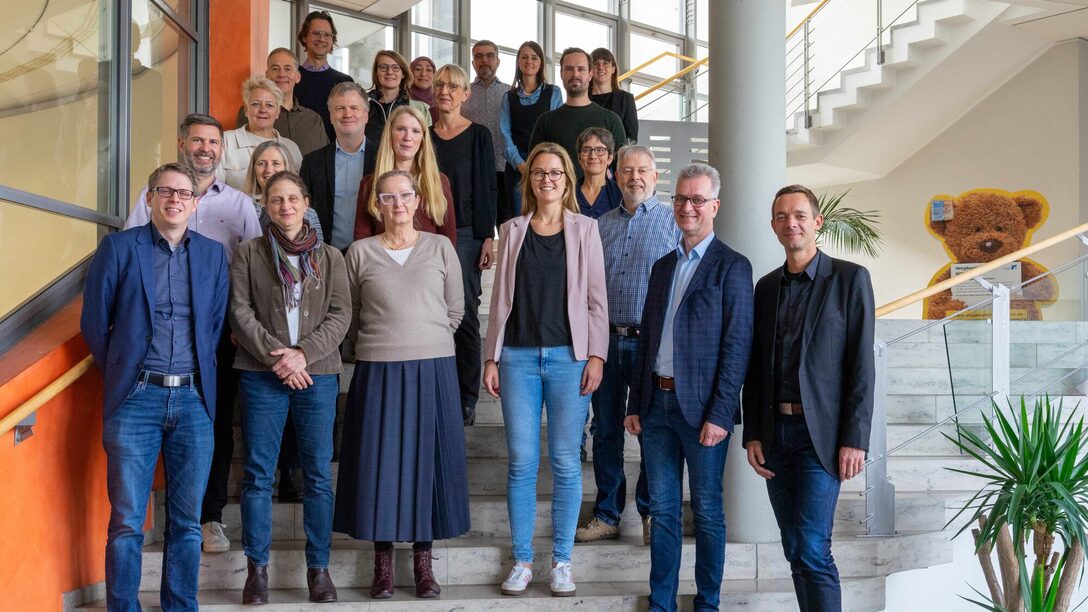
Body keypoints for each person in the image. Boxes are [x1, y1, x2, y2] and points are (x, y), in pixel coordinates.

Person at [83, 163, 229, 611]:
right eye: (165, 191)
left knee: (186, 523)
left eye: (184, 193)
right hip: (135, 399)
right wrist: (124, 376)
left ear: (195, 202)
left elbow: (216, 326)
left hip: (193, 399)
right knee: (127, 521)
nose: (175, 199)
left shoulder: (212, 254)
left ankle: (179, 606)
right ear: (149, 199)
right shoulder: (119, 248)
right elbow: (94, 324)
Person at [124, 114, 261, 555]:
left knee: (214, 425)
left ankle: (209, 517)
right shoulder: (155, 196)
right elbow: (129, 253)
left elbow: (255, 271)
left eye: (213, 142)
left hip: (217, 336)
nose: (205, 148)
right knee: (151, 424)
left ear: (222, 150)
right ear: (183, 143)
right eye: (198, 140)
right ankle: (160, 517)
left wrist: (242, 327)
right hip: (155, 339)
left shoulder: (238, 204)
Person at [624, 163, 754, 612]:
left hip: (703, 413)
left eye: (698, 199)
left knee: (708, 512)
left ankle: (707, 604)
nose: (687, 207)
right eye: (681, 198)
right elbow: (647, 338)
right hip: (656, 405)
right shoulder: (664, 266)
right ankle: (662, 603)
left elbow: (737, 347)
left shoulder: (732, 267)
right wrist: (635, 402)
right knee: (662, 512)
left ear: (714, 206)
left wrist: (721, 414)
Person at [334, 170, 470, 600]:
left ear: (417, 201)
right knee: (380, 466)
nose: (397, 205)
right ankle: (383, 566)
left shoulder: (441, 247)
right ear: (377, 204)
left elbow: (455, 310)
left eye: (405, 196)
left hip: (433, 367)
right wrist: (380, 341)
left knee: (428, 465)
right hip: (378, 367)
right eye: (388, 197)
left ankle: (424, 567)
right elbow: (349, 315)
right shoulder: (358, 253)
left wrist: (424, 336)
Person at [482, 143, 608, 598]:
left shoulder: (586, 229)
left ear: (567, 179)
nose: (547, 179)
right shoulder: (512, 230)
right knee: (521, 462)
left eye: (555, 172)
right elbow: (498, 301)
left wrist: (597, 356)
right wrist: (491, 357)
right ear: (529, 179)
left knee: (566, 464)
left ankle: (561, 561)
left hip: (569, 359)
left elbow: (597, 299)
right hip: (517, 358)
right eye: (539, 172)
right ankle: (522, 560)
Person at [743, 184, 876, 612]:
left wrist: (855, 438)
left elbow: (861, 367)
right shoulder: (765, 288)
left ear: (817, 223)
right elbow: (756, 366)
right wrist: (754, 433)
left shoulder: (850, 279)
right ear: (773, 226)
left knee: (812, 547)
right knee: (794, 548)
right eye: (782, 217)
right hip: (776, 434)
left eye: (799, 215)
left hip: (822, 437)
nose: (790, 223)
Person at [230, 171, 350, 605]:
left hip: (317, 375)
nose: (284, 207)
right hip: (261, 374)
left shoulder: (332, 257)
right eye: (276, 200)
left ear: (306, 202)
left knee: (318, 476)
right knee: (259, 475)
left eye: (292, 199)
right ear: (265, 204)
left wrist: (303, 355)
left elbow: (340, 316)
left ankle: (318, 569)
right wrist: (279, 357)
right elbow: (239, 312)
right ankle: (256, 572)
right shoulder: (247, 254)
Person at [576, 145, 678, 546]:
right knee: (604, 430)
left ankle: (652, 512)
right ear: (615, 177)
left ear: (655, 178)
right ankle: (607, 514)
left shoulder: (672, 223)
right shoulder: (600, 225)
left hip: (650, 345)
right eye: (627, 171)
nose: (634, 177)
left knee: (652, 428)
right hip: (604, 343)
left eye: (643, 171)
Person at [430, 63, 497, 426]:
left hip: (469, 234)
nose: (445, 91)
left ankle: (466, 397)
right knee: (431, 312)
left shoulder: (479, 135)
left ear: (465, 94)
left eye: (453, 86)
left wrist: (488, 235)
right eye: (440, 85)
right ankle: (438, 389)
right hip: (428, 234)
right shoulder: (424, 135)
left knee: (466, 313)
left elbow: (487, 186)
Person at [354, 105, 455, 245]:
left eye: (416, 131)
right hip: (381, 264)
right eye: (401, 129)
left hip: (427, 265)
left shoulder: (439, 182)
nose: (408, 137)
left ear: (423, 139)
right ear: (390, 134)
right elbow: (361, 243)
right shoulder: (369, 184)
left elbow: (448, 239)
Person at [299, 81, 377, 251]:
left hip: (374, 256)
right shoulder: (312, 163)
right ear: (330, 116)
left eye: (354, 108)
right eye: (340, 108)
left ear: (366, 115)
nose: (347, 114)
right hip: (326, 256)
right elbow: (303, 214)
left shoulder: (384, 159)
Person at [529, 47, 626, 179]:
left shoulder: (610, 120)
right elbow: (535, 168)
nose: (575, 74)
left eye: (581, 69)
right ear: (561, 73)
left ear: (590, 74)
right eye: (569, 69)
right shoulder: (545, 121)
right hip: (557, 198)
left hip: (599, 198)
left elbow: (622, 168)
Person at [498, 40, 563, 223]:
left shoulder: (553, 92)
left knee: (547, 217)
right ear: (518, 62)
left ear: (541, 62)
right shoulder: (508, 97)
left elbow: (555, 130)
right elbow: (504, 133)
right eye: (524, 57)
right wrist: (520, 164)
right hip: (517, 167)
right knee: (520, 221)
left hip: (546, 165)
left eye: (534, 57)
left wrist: (541, 164)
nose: (529, 61)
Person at [236, 47, 330, 156]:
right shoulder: (252, 113)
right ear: (267, 75)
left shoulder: (313, 120)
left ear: (297, 76)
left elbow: (324, 160)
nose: (281, 74)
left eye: (288, 69)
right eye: (275, 69)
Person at [219, 75, 303, 191]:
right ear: (246, 110)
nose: (263, 110)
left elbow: (297, 191)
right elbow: (216, 190)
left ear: (278, 112)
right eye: (256, 104)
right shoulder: (226, 141)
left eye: (269, 105)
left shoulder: (291, 148)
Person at [460, 40, 509, 234]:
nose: (484, 60)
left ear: (498, 61)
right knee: (478, 228)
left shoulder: (510, 93)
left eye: (489, 56)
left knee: (507, 226)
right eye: (478, 56)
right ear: (473, 63)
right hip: (475, 171)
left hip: (505, 169)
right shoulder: (465, 94)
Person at [244, 140, 324, 241]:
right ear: (253, 170)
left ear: (286, 168)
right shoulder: (243, 207)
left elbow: (319, 252)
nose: (268, 169)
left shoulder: (307, 213)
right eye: (261, 164)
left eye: (275, 163)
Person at [295, 10, 354, 142]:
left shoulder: (345, 82)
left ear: (332, 40)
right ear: (304, 37)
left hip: (335, 153)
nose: (322, 39)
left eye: (327, 35)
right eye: (316, 33)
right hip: (297, 153)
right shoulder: (292, 79)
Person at [364, 50, 431, 144]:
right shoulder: (364, 106)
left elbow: (426, 145)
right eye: (383, 67)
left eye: (395, 67)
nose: (389, 72)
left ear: (403, 73)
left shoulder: (420, 108)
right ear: (376, 73)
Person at [589, 48, 638, 144]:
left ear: (613, 69)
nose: (600, 67)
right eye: (595, 64)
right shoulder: (582, 98)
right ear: (590, 70)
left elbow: (631, 137)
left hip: (617, 156)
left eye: (606, 63)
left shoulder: (626, 99)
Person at [574, 127, 622, 218]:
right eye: (586, 150)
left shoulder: (621, 194)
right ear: (579, 157)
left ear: (610, 158)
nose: (593, 156)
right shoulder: (567, 193)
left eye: (600, 150)